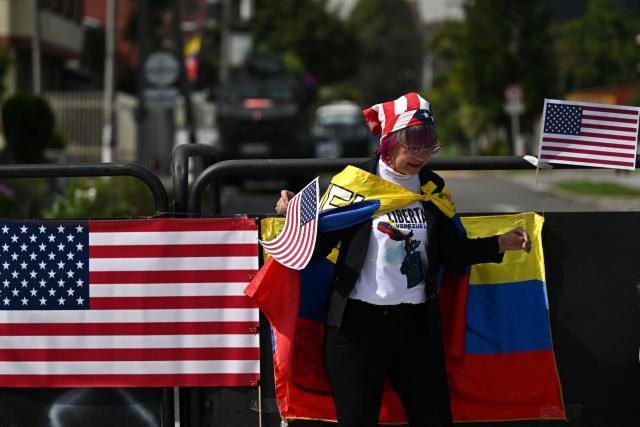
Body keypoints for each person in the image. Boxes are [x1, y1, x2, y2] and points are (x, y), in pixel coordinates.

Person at [275, 92, 531, 427]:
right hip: (356, 330)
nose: (421, 155)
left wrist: (500, 243)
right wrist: (294, 214)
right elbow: (316, 248)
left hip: (415, 330)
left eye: (429, 146)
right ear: (388, 142)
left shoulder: (431, 189)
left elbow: (452, 253)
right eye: (413, 144)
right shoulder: (354, 185)